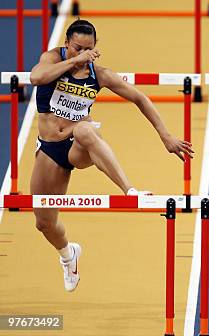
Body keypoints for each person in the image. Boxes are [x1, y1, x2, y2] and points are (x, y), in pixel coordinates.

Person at [29, 19, 194, 292]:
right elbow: (36, 78)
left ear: (96, 48)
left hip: (77, 145)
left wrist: (165, 135)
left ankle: (130, 190)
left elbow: (140, 98)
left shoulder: (100, 74)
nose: (83, 54)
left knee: (85, 130)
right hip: (49, 148)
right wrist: (73, 61)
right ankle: (69, 254)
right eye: (77, 48)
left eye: (89, 49)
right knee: (44, 223)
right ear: (67, 43)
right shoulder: (51, 58)